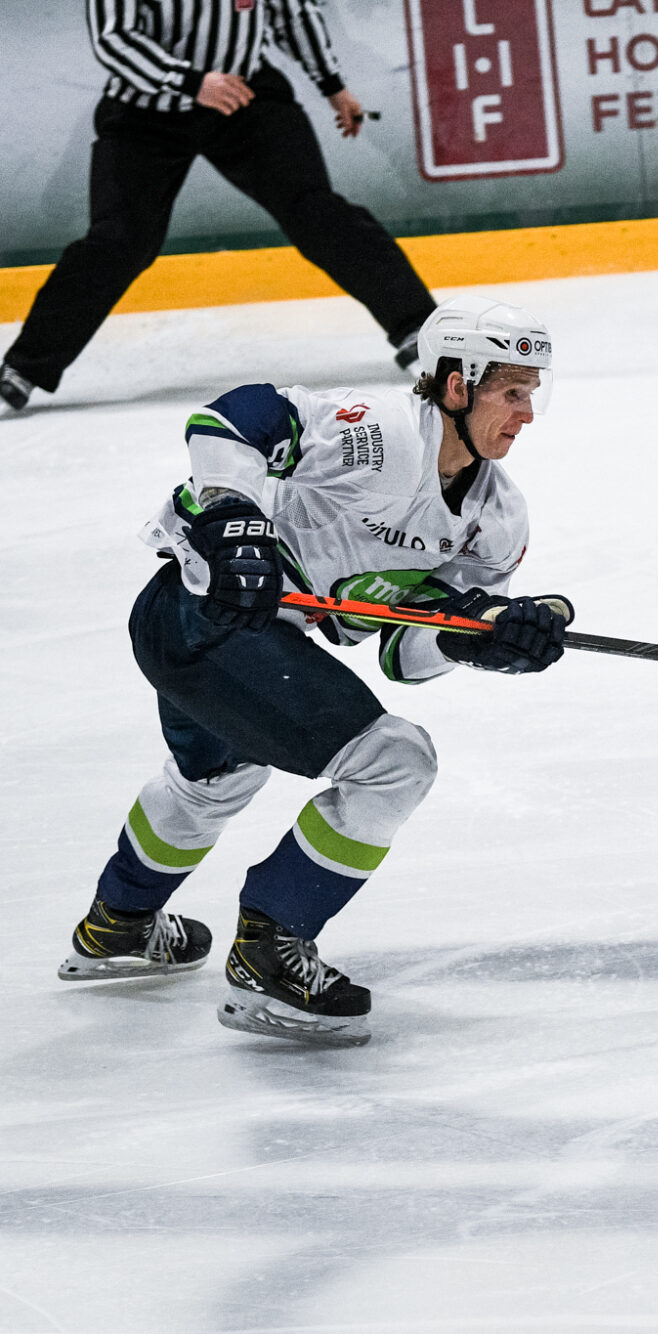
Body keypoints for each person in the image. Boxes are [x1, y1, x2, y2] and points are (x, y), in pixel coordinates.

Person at [57, 296, 570, 1049]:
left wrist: (479, 640)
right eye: (512, 392)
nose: (527, 413)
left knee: (217, 779)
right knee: (395, 763)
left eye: (533, 393)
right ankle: (269, 949)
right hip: (205, 615)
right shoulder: (380, 434)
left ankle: (118, 923)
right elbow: (236, 417)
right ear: (458, 386)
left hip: (213, 635)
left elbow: (405, 652)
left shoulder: (495, 519)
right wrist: (231, 515)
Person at [0, 0, 436, 415]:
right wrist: (191, 81)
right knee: (120, 240)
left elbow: (292, 15)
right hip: (145, 112)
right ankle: (21, 370)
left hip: (244, 98)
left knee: (315, 211)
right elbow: (115, 38)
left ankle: (418, 329)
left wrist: (332, 86)